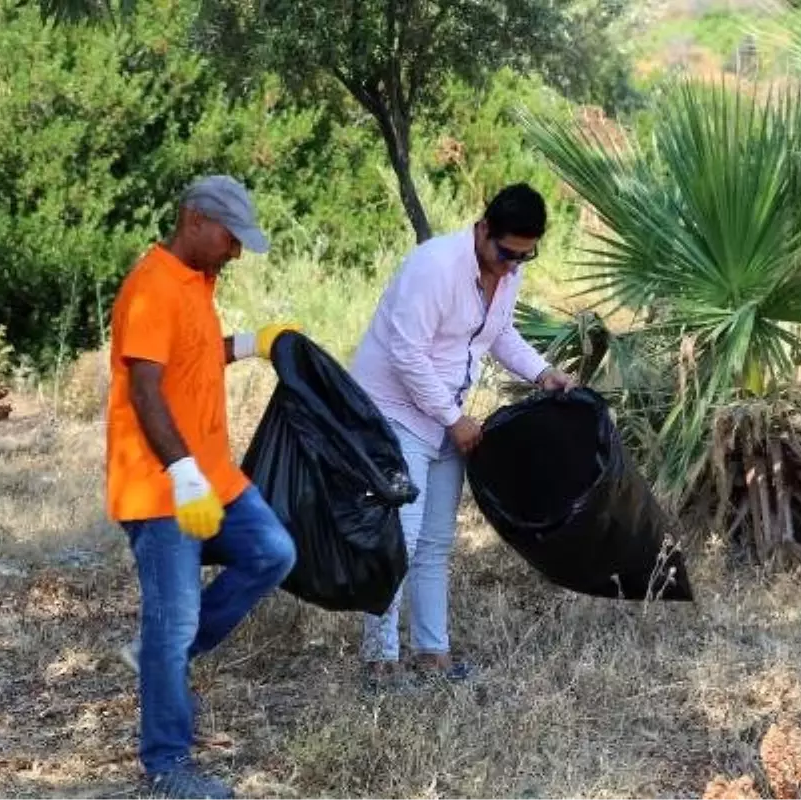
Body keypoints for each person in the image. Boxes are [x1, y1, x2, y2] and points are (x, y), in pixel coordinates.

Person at [105, 175, 299, 799]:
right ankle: (166, 767)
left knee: (273, 553)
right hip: (162, 487)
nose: (236, 252)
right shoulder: (150, 288)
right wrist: (182, 474)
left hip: (214, 475)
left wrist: (250, 344)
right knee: (173, 619)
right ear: (194, 219)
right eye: (230, 238)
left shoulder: (198, 281)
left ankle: (162, 657)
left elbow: (190, 357)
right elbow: (145, 389)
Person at [349, 182, 574, 687]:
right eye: (506, 253)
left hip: (447, 416)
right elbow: (407, 354)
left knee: (435, 542)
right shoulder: (434, 266)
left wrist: (544, 373)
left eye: (525, 257)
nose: (512, 266)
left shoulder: (506, 273)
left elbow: (499, 334)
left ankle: (433, 655)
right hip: (395, 412)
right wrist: (454, 418)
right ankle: (379, 663)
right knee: (398, 539)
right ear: (483, 228)